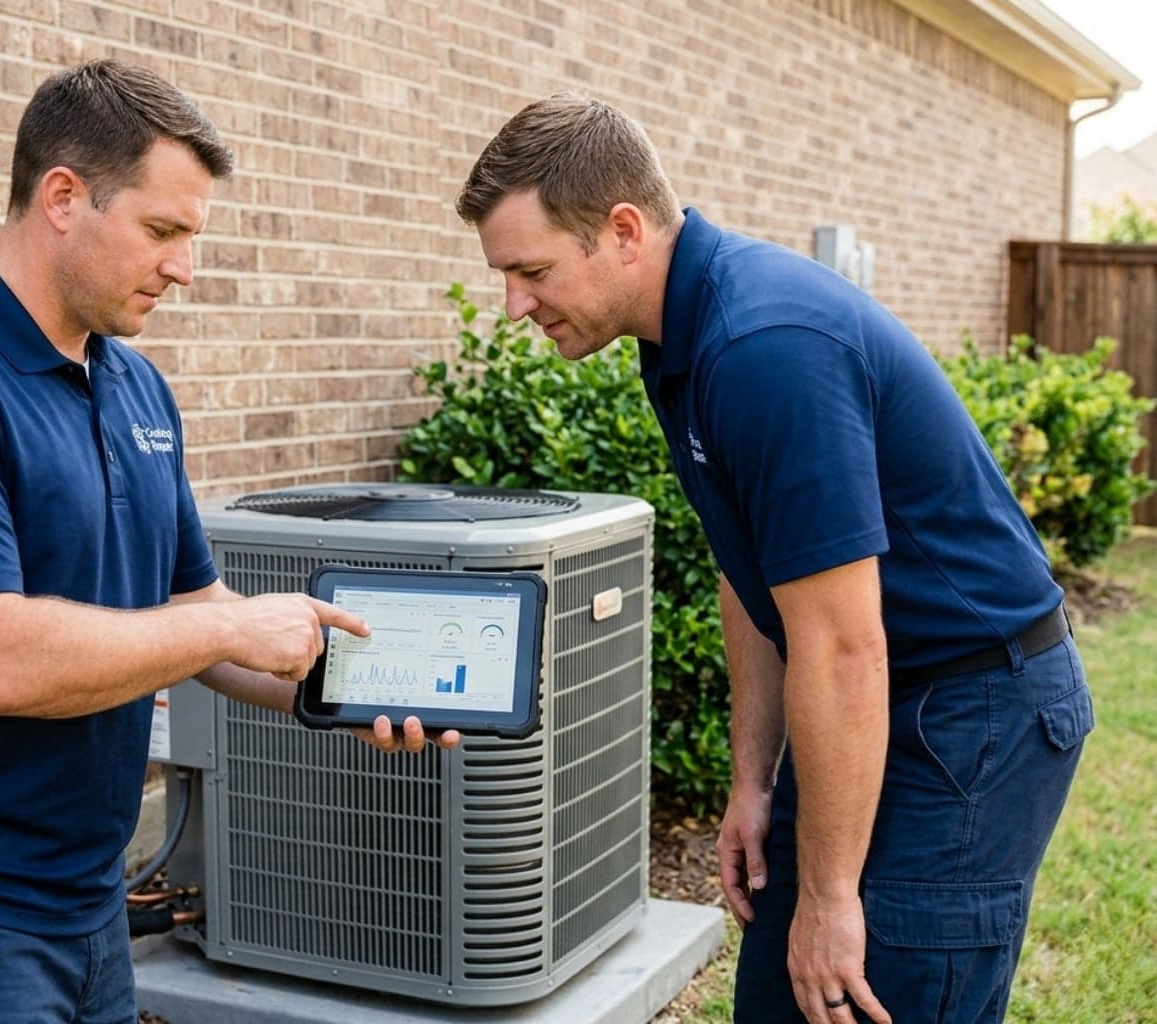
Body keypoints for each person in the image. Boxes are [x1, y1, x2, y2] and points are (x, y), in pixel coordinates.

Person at [0, 60, 454, 1024]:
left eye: (192, 236)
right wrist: (228, 636)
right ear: (63, 197)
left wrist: (343, 684)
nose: (185, 267)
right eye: (163, 231)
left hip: (86, 897)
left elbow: (193, 609)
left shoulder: (137, 387)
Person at [455, 93, 1094, 1024]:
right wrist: (752, 782)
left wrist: (832, 900)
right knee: (780, 996)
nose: (515, 305)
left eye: (531, 270)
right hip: (873, 699)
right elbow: (748, 570)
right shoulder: (676, 335)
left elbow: (842, 646)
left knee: (872, 987)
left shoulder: (764, 345)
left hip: (971, 713)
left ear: (622, 231)